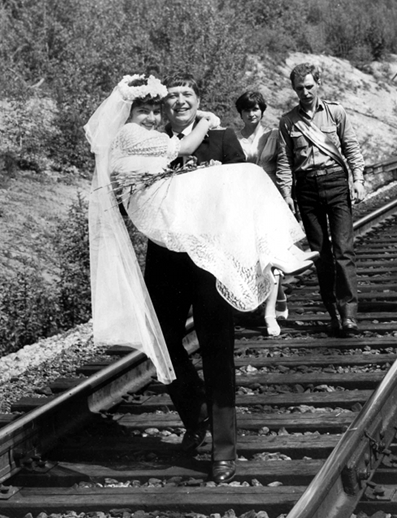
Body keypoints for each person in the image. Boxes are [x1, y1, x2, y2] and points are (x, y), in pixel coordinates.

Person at [85, 74, 315, 483]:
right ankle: (196, 413)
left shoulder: (221, 139)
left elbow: (244, 198)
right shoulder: (146, 140)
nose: (179, 102)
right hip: (166, 261)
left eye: (186, 94)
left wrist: (255, 253)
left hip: (213, 261)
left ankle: (224, 450)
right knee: (161, 340)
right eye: (172, 97)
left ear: (197, 100)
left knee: (217, 348)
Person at [276, 62, 367, 337]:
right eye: (299, 89)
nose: (305, 93)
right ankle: (333, 313)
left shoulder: (336, 112)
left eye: (309, 86)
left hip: (335, 183)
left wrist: (358, 179)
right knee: (320, 255)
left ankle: (349, 314)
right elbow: (284, 161)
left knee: (343, 251)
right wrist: (286, 194)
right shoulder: (288, 122)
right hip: (306, 190)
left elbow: (351, 147)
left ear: (318, 84)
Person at [235, 90, 288, 337]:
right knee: (253, 258)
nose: (251, 114)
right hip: (244, 203)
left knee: (271, 256)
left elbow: (285, 168)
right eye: (246, 109)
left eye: (255, 108)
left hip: (270, 200)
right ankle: (280, 295)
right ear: (241, 113)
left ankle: (269, 315)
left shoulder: (274, 136)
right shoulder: (234, 138)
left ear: (262, 111)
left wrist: (288, 197)